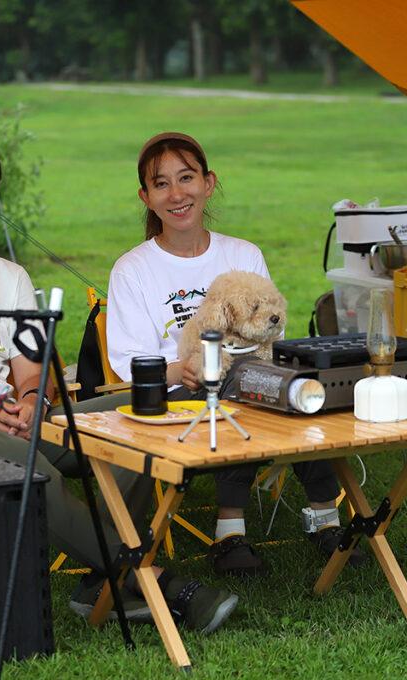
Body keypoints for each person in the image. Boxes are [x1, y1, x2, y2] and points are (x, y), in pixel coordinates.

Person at [0, 128, 239, 634]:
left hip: (9, 418)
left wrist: (31, 401)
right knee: (36, 470)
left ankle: (103, 579)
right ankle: (152, 579)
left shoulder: (6, 276)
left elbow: (32, 370)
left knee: (144, 416)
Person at [106, 131, 365, 576]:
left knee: (302, 390)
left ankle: (325, 519)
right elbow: (126, 360)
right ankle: (229, 535)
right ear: (145, 197)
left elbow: (270, 325)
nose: (177, 193)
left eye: (186, 178)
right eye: (161, 183)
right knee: (233, 392)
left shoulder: (242, 254)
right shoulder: (134, 268)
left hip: (256, 376)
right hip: (178, 393)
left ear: (209, 183)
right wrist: (178, 368)